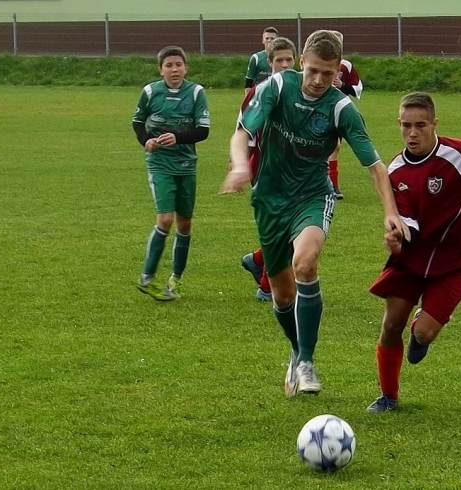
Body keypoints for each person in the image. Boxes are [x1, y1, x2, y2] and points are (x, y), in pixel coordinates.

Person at [222, 30, 408, 397]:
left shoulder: (340, 108)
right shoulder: (276, 88)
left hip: (312, 195)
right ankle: (296, 351)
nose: (320, 80)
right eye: (314, 71)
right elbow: (241, 133)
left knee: (305, 263)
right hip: (269, 200)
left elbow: (375, 165)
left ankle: (306, 361)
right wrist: (241, 166)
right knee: (281, 297)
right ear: (302, 61)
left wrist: (391, 212)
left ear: (338, 70)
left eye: (328, 73)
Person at [366, 92, 461, 413]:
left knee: (424, 332)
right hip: (411, 257)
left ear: (435, 124)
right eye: (406, 126)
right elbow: (408, 223)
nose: (412, 133)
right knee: (391, 325)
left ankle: (421, 329)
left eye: (421, 125)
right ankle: (388, 397)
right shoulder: (396, 172)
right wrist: (397, 239)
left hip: (455, 260)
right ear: (399, 125)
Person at [132, 45, 210, 301]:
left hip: (186, 164)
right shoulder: (150, 92)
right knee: (165, 219)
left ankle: (175, 280)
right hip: (160, 163)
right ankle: (146, 277)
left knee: (185, 224)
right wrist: (146, 140)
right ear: (160, 69)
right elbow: (138, 121)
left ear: (185, 67)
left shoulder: (196, 92)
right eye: (169, 65)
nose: (174, 69)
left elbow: (203, 131)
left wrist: (177, 137)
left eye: (178, 64)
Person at [238, 37, 298, 303]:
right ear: (270, 63)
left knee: (294, 227)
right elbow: (244, 131)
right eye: (279, 60)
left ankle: (257, 260)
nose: (285, 64)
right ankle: (266, 286)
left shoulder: (301, 90)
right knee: (281, 227)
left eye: (289, 59)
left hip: (296, 170)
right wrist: (239, 165)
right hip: (265, 168)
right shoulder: (260, 92)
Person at [325, 30, 363, 200]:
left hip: (338, 109)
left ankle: (332, 185)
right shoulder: (320, 61)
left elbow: (357, 89)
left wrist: (342, 85)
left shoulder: (346, 66)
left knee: (334, 146)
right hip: (319, 108)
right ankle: (327, 184)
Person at [245, 27, 279, 96]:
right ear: (263, 40)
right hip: (260, 95)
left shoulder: (282, 58)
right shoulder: (256, 58)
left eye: (272, 38)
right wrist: (248, 101)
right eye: (267, 38)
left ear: (277, 40)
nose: (269, 41)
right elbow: (249, 82)